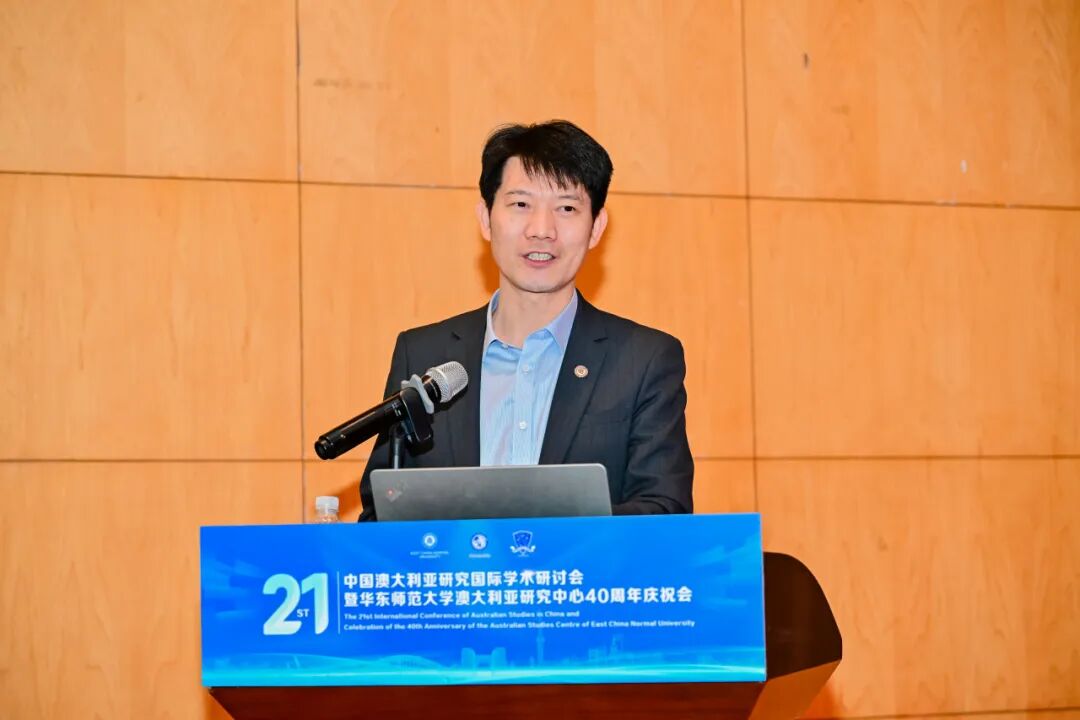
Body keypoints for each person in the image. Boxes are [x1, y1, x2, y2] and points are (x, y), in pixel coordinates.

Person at [358, 120, 693, 520]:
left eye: (566, 208)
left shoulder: (644, 360)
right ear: (486, 218)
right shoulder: (423, 354)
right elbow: (381, 511)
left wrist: (541, 542)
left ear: (596, 228)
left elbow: (664, 512)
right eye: (520, 205)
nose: (541, 230)